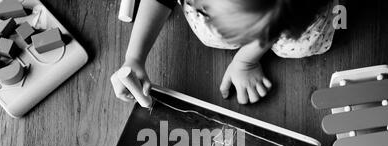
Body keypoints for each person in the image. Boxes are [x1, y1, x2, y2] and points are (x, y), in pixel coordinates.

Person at [114, 0, 337, 105]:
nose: (216, 27)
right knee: (213, 36)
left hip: (296, 13)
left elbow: (280, 21)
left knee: (300, 46)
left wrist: (245, 60)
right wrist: (134, 57)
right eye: (201, 8)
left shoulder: (290, 12)